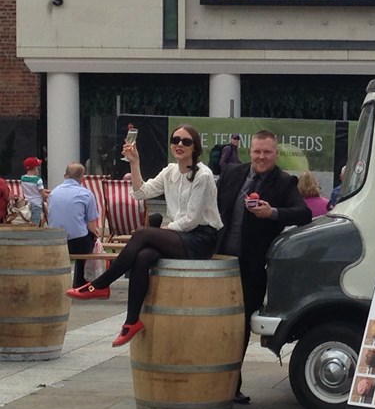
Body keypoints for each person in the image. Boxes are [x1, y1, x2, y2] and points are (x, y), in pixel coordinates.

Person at [66, 124, 223, 347]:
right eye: (175, 140)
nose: (179, 145)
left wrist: (160, 232)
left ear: (195, 147)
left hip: (201, 238)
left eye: (186, 141)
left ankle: (100, 285)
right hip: (180, 234)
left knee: (143, 235)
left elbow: (191, 220)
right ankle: (131, 322)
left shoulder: (203, 175)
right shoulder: (170, 171)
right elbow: (140, 192)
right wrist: (134, 161)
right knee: (143, 256)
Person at [216, 129, 312, 404]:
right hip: (220, 261)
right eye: (257, 151)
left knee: (240, 326)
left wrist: (272, 213)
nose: (261, 157)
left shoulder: (283, 182)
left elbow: (304, 213)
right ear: (250, 151)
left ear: (275, 153)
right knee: (215, 322)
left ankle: (232, 384)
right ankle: (209, 380)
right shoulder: (233, 174)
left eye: (267, 152)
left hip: (252, 267)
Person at [47, 163, 100, 288]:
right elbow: (92, 226)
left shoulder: (54, 193)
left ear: (65, 175)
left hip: (55, 241)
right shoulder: (86, 194)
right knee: (88, 238)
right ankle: (80, 280)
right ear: (82, 178)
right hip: (77, 244)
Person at [21, 156, 48, 226]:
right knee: (35, 226)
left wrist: (48, 190)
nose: (38, 169)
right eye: (37, 167)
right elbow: (43, 195)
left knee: (28, 224)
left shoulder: (23, 178)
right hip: (36, 205)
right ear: (34, 169)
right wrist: (52, 194)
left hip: (27, 204)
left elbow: (34, 189)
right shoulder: (38, 180)